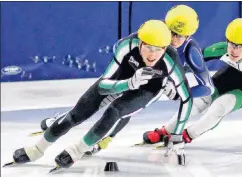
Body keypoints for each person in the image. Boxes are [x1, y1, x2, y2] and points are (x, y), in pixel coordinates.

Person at [4, 20, 193, 170]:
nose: (153, 54)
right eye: (149, 48)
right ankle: (37, 149)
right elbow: (103, 86)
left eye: (159, 49)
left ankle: (77, 150)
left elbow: (187, 99)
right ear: (140, 43)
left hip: (148, 89)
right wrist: (129, 83)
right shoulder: (126, 46)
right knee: (76, 114)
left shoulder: (171, 62)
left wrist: (177, 136)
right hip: (123, 78)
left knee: (115, 111)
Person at [35, 4, 215, 155]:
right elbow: (120, 46)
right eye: (172, 32)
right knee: (97, 94)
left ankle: (105, 139)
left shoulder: (190, 51)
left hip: (155, 83)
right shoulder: (155, 31)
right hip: (131, 70)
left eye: (180, 36)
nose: (174, 39)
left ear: (189, 36)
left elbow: (207, 87)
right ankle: (67, 119)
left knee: (123, 108)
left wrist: (177, 92)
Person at [143, 18, 242, 148]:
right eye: (231, 44)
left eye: (240, 46)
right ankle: (166, 130)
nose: (234, 50)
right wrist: (164, 74)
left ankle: (187, 136)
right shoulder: (222, 49)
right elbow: (192, 61)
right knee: (202, 99)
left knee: (221, 105)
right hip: (234, 72)